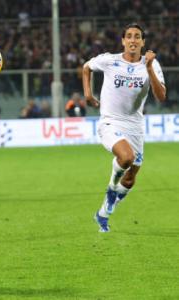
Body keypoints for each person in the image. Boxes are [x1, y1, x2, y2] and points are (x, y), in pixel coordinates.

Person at [82, 23, 166, 233]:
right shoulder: (110, 61)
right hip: (110, 121)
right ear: (123, 41)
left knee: (130, 178)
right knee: (126, 158)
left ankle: (102, 214)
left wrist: (148, 68)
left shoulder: (152, 65)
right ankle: (111, 189)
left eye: (137, 37)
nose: (133, 40)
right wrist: (88, 94)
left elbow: (161, 96)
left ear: (143, 42)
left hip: (135, 126)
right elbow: (86, 67)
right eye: (129, 36)